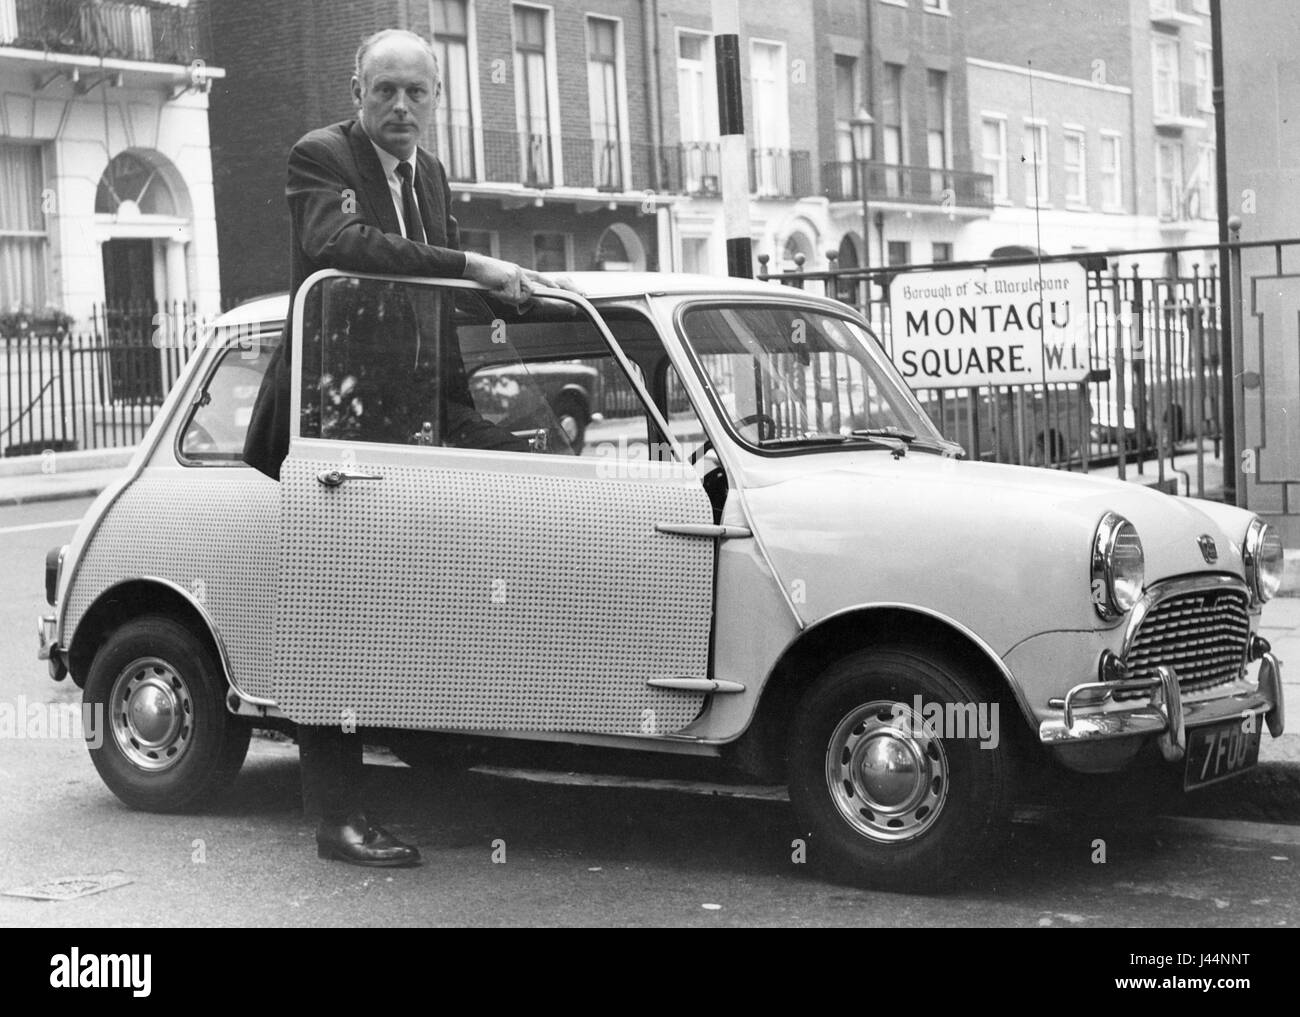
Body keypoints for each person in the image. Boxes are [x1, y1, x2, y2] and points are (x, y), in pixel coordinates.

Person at [243, 27, 549, 867]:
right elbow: (348, 250)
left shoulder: (432, 175)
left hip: (414, 422)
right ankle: (338, 820)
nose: (402, 107)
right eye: (386, 91)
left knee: (420, 588)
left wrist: (477, 396)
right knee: (334, 614)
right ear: (356, 94)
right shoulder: (321, 158)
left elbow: (435, 305)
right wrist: (473, 262)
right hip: (332, 424)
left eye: (418, 92)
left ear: (436, 100)